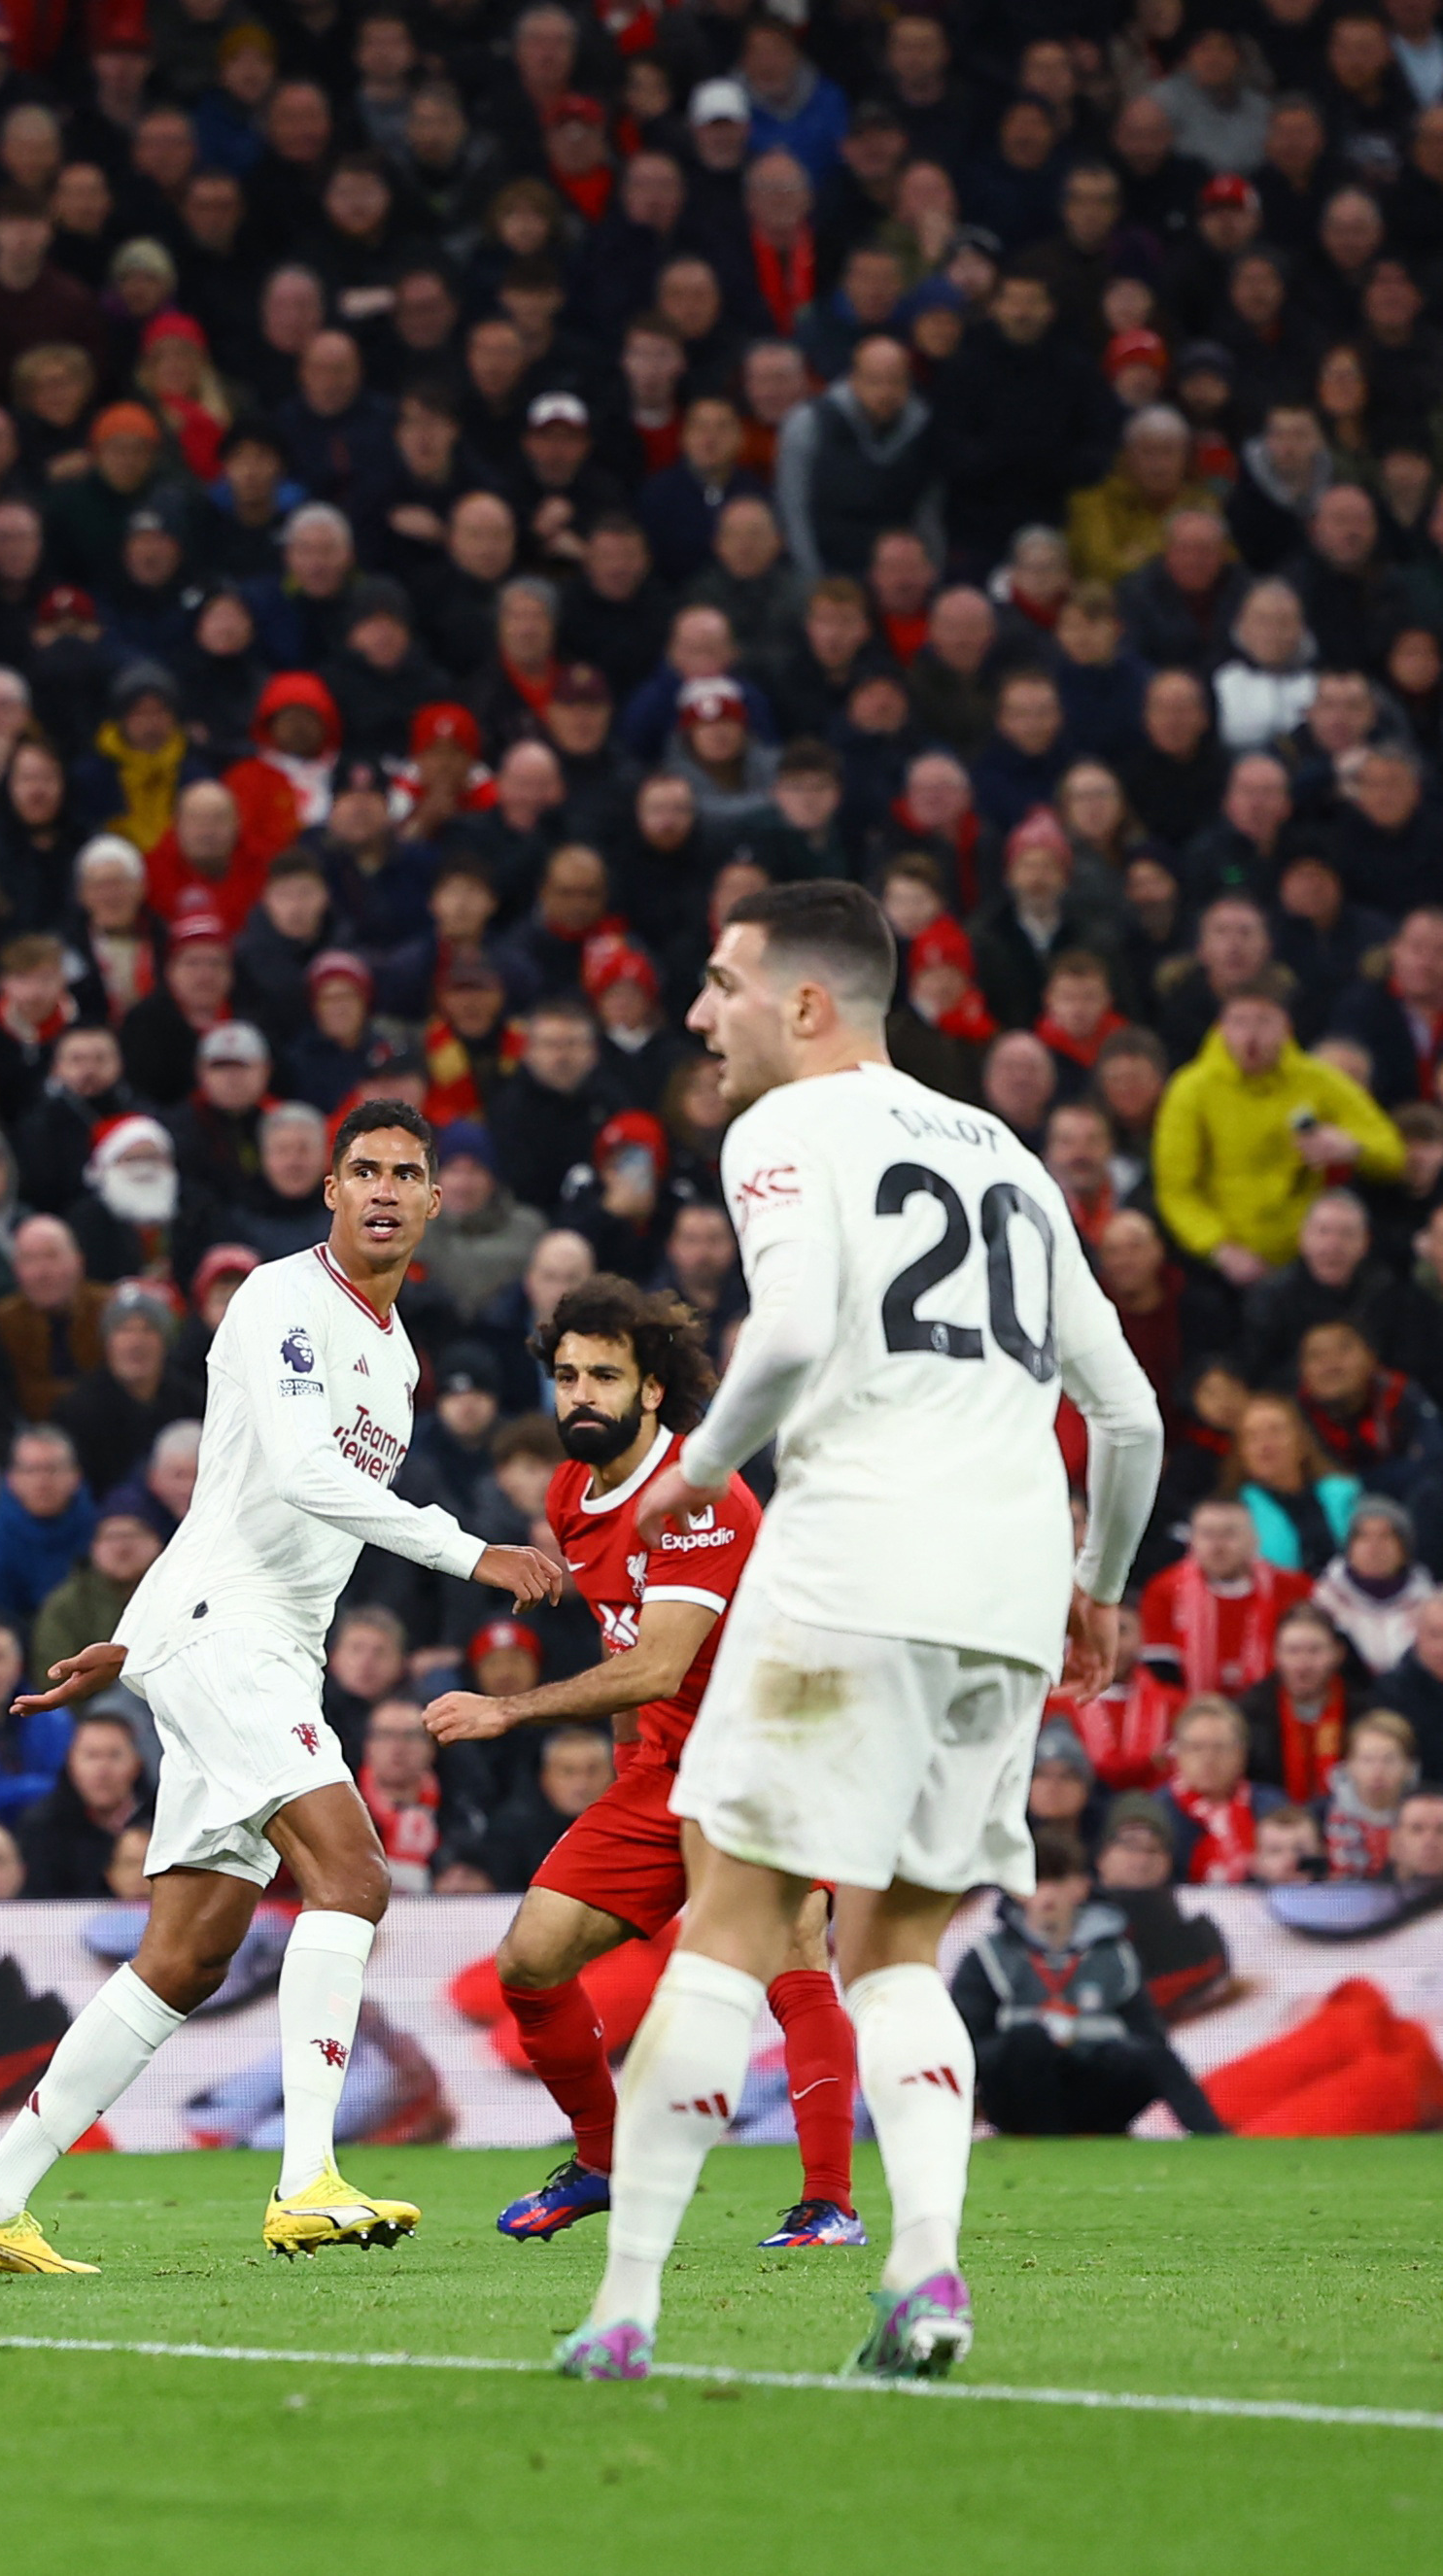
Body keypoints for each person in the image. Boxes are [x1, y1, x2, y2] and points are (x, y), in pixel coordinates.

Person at [546, 880, 1158, 2387]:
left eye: (717, 985)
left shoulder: (783, 1128)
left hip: (850, 1561)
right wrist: (1100, 1580)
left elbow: (801, 1331)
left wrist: (685, 1474)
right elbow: (1127, 1409)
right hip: (1007, 1594)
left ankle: (621, 2308)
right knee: (896, 1946)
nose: (698, 1016)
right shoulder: (1008, 1152)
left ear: (803, 1005)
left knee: (733, 1926)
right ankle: (924, 2275)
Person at [0, 1098, 573, 2279]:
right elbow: (296, 1469)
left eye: (407, 1174)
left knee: (185, 1952)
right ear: (329, 1189)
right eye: (363, 1169)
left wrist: (130, 1640)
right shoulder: (279, 1298)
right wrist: (469, 1548)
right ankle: (304, 2179)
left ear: (434, 1204)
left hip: (238, 1635)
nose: (383, 1188)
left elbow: (224, 1499)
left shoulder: (397, 1355)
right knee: (353, 1873)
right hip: (231, 1637)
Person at [423, 1275, 865, 2250]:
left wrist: (509, 1708)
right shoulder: (571, 1485)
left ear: (651, 1388)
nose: (578, 1393)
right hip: (665, 1760)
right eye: (566, 1373)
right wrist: (631, 1768)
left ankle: (826, 2200)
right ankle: (602, 2162)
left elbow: (655, 1656)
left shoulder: (699, 1496)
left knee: (790, 1945)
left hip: (767, 1746)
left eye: (603, 1375)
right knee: (530, 1960)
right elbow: (622, 1637)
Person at [952, 1829, 1226, 2138]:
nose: (1047, 1894)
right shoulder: (988, 1957)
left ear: (1082, 1887)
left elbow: (1149, 2036)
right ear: (1016, 1889)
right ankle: (1046, 2138)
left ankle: (1214, 2138)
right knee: (1027, 2041)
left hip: (1095, 2088)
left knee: (1151, 2053)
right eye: (1036, 1881)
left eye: (1059, 1881)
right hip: (1020, 2097)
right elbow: (967, 2045)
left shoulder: (1115, 1954)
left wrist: (1104, 2052)